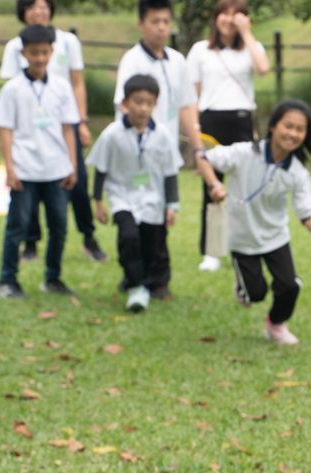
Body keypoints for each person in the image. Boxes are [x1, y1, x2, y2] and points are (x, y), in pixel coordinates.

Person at [196, 99, 311, 344]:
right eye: (288, 126)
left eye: (300, 129)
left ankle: (275, 325)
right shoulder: (244, 153)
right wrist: (214, 184)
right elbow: (203, 158)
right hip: (241, 239)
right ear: (273, 126)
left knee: (290, 286)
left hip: (275, 238)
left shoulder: (297, 173)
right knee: (255, 294)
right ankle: (243, 286)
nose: (293, 133)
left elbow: (306, 214)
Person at [0, 0, 106, 263]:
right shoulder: (14, 46)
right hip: (29, 130)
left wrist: (81, 121)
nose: (39, 12)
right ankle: (31, 242)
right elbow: (13, 92)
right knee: (29, 188)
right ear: (23, 12)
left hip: (64, 124)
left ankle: (88, 237)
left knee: (77, 181)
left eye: (44, 6)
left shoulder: (68, 42)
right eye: (32, 7)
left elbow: (77, 83)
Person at [113, 0, 203, 299]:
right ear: (141, 24)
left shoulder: (177, 61)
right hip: (136, 155)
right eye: (155, 21)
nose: (161, 28)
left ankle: (159, 279)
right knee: (132, 220)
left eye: (166, 21)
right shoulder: (132, 60)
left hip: (164, 154)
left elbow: (186, 105)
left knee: (161, 217)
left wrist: (197, 147)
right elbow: (122, 107)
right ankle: (133, 275)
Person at [0, 25, 79, 298]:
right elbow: (5, 131)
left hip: (56, 169)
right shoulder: (12, 89)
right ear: (23, 53)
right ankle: (7, 280)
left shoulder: (62, 87)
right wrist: (10, 168)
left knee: (59, 227)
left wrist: (72, 165)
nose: (39, 58)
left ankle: (53, 277)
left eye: (44, 52)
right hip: (25, 170)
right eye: (34, 53)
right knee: (17, 227)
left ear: (51, 52)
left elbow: (68, 128)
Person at [186, 0, 269, 272]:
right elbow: (192, 93)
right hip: (210, 120)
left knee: (245, 186)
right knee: (212, 187)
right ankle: (212, 251)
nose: (229, 19)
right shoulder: (201, 50)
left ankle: (244, 248)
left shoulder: (251, 47)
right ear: (215, 17)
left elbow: (263, 68)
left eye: (236, 14)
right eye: (224, 13)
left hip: (242, 120)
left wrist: (246, 33)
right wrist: (194, 127)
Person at [88, 74, 182, 312]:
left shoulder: (162, 135)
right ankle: (136, 283)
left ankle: (157, 282)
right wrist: (98, 201)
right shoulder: (111, 134)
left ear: (155, 105)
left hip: (153, 197)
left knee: (154, 242)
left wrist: (172, 205)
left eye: (149, 103)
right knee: (128, 238)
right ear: (125, 103)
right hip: (122, 196)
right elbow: (101, 168)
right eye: (138, 102)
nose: (143, 108)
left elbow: (170, 172)